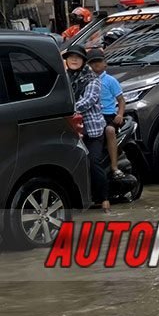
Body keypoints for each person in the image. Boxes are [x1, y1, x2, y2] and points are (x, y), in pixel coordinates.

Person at [63, 47, 109, 213]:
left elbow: (87, 101)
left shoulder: (92, 80)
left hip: (92, 130)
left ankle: (104, 199)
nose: (74, 60)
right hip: (71, 129)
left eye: (78, 58)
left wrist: (66, 108)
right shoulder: (64, 79)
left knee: (93, 162)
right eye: (71, 57)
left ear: (83, 61)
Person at [88, 48, 125, 178]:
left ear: (105, 63)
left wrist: (120, 114)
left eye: (98, 61)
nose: (96, 65)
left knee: (109, 130)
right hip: (93, 116)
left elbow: (121, 100)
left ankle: (115, 167)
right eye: (92, 62)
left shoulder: (110, 80)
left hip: (109, 115)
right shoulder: (87, 80)